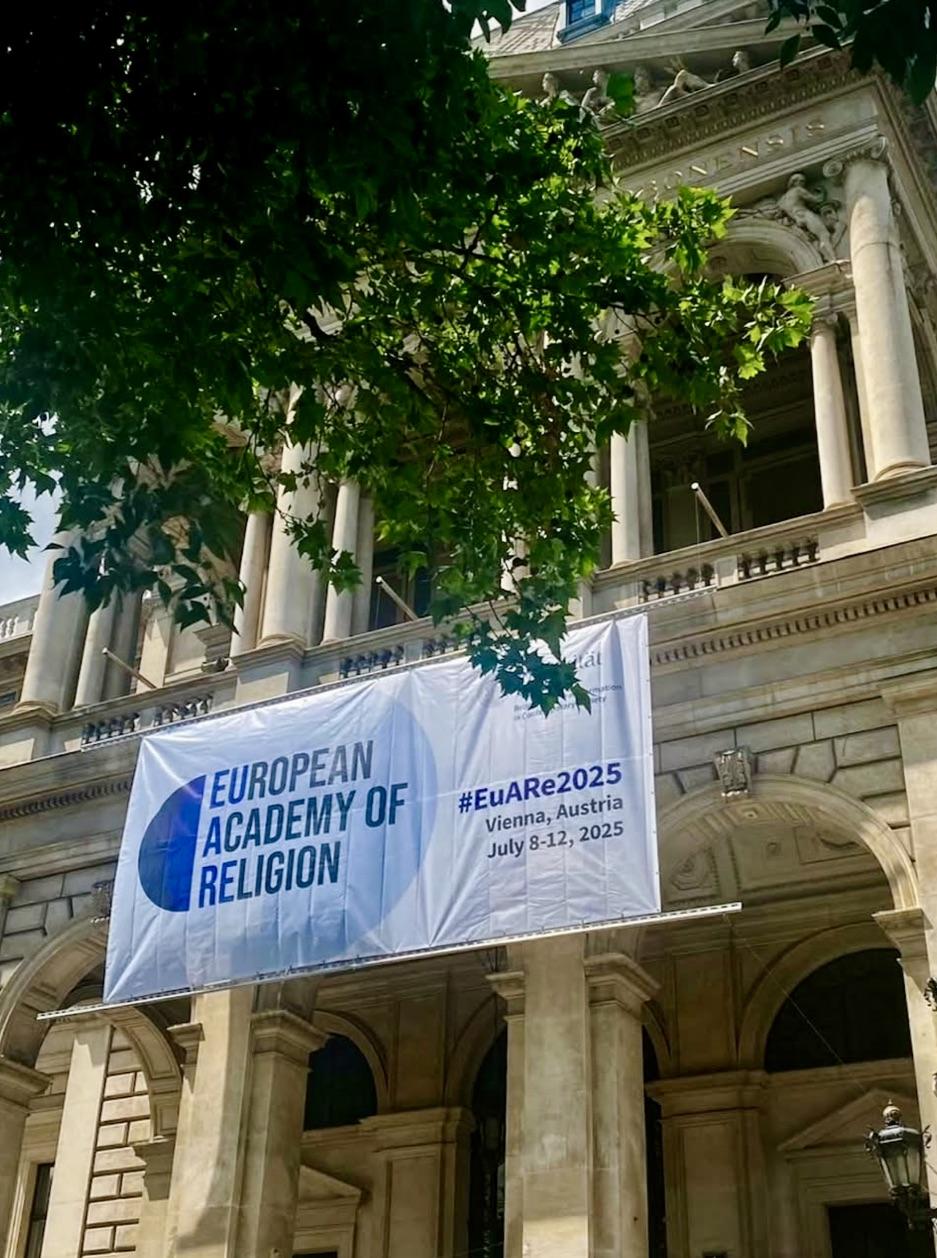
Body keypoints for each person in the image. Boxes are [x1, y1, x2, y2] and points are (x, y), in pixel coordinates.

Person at [778, 173, 837, 262]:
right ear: (794, 183)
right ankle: (833, 258)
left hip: (796, 220)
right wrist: (822, 190)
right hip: (805, 214)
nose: (802, 183)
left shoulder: (782, 199)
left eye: (803, 181)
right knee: (824, 234)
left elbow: (780, 210)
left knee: (815, 239)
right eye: (801, 181)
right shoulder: (798, 190)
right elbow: (818, 199)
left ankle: (825, 256)